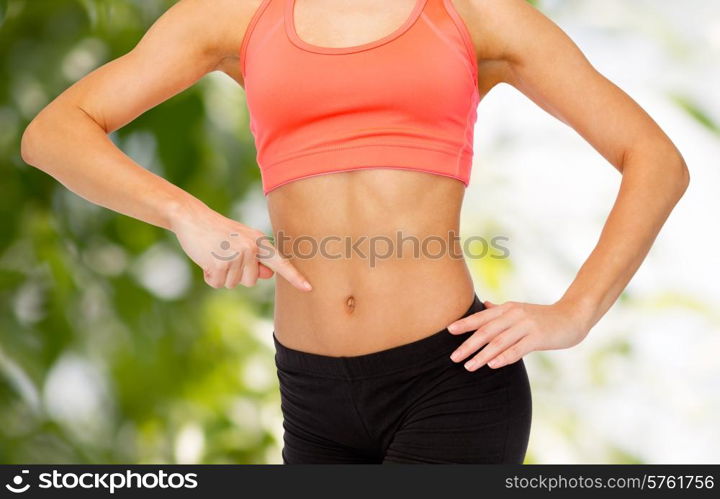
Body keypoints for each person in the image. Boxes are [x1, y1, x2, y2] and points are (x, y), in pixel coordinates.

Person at [20, 0, 689, 464]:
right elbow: (54, 130)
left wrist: (575, 313)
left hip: (448, 380)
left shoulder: (475, 15)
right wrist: (185, 214)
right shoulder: (235, 15)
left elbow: (655, 160)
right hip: (310, 394)